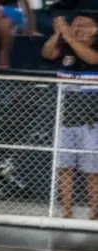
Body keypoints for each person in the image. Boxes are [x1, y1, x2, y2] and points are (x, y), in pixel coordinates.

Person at [42, 15, 98, 220]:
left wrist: (68, 34)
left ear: (95, 30)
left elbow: (92, 59)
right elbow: (47, 53)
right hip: (65, 119)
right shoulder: (65, 47)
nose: (78, 29)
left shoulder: (94, 48)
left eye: (84, 25)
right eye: (75, 25)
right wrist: (58, 33)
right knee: (65, 168)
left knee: (92, 170)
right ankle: (66, 211)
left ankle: (95, 213)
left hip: (92, 122)